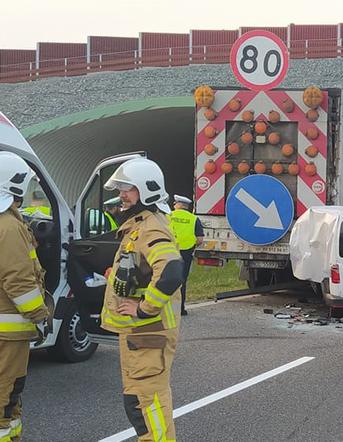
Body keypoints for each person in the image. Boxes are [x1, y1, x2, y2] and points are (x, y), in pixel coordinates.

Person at [102, 157, 184, 442]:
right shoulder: (143, 222)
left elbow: (172, 270)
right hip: (142, 333)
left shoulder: (150, 226)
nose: (122, 194)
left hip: (148, 330)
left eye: (129, 188)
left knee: (147, 403)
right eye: (122, 188)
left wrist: (145, 308)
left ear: (147, 190)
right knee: (140, 403)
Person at [0, 152, 50, 442]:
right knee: (5, 398)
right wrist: (41, 317)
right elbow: (19, 282)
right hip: (9, 333)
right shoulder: (8, 227)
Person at [168, 195, 204, 316]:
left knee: (165, 278)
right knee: (181, 281)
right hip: (186, 253)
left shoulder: (168, 216)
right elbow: (199, 239)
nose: (173, 205)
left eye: (174, 203)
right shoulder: (194, 219)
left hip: (168, 251)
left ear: (179, 204)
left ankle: (165, 307)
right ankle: (180, 308)